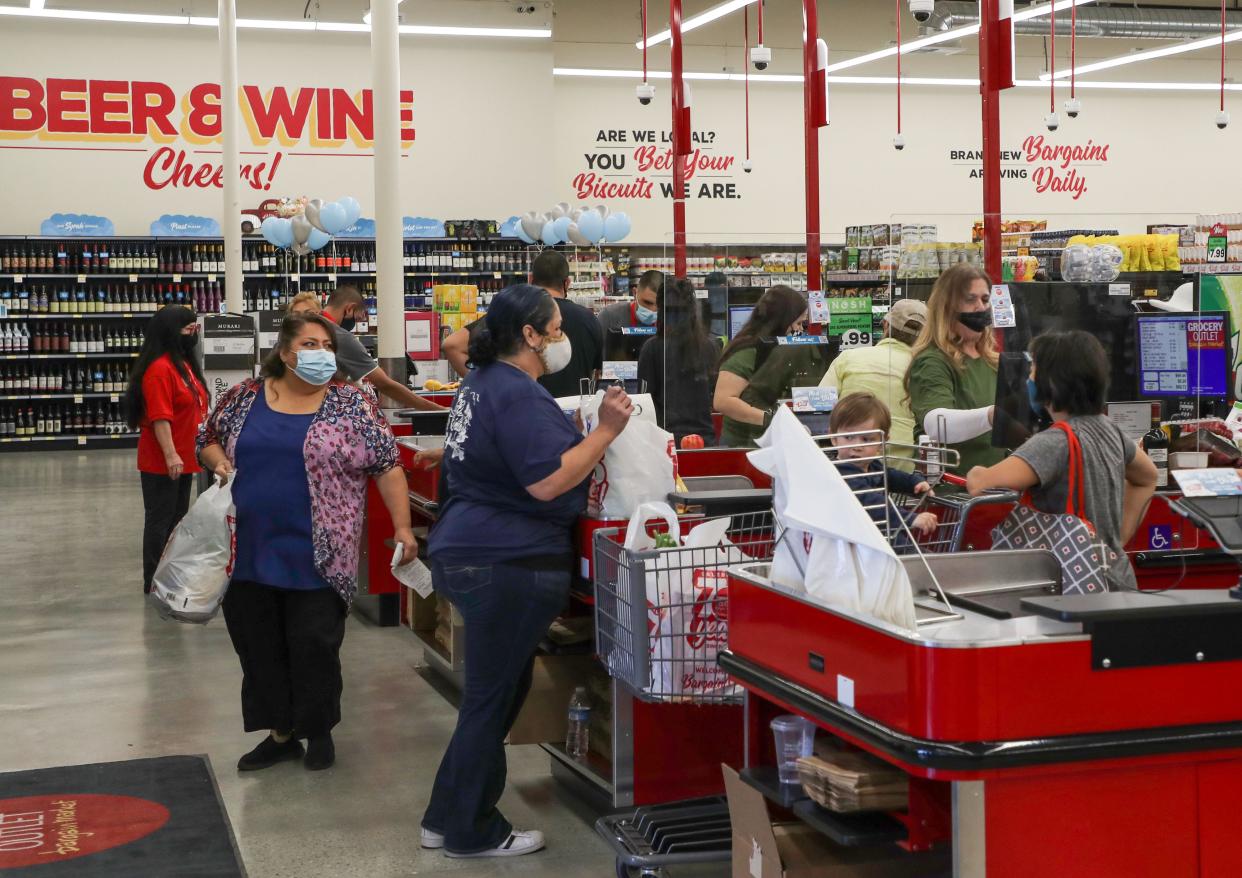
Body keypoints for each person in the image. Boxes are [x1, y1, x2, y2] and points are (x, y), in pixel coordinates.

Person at [421, 284, 632, 858]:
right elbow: (546, 480)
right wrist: (605, 431)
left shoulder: (484, 382)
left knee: (494, 694)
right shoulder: (515, 392)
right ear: (531, 336)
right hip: (505, 559)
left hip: (471, 549)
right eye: (556, 326)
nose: (564, 335)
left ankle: (445, 817)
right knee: (491, 701)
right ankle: (471, 829)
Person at [197, 313, 417, 773]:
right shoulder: (244, 398)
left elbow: (387, 465)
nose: (321, 353)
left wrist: (402, 527)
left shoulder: (351, 404)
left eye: (327, 345)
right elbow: (208, 438)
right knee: (259, 646)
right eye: (310, 344)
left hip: (320, 552)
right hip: (246, 548)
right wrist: (218, 464)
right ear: (284, 352)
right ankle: (280, 733)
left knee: (314, 644)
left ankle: (317, 730)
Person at [966, 331, 1158, 591]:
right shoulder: (1110, 429)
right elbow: (1148, 477)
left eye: (1033, 370)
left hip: (1072, 587)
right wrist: (1118, 538)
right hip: (1117, 578)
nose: (1029, 379)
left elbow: (981, 484)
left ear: (1052, 383)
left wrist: (976, 471)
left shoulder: (1055, 442)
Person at [126, 305, 209, 594]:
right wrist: (171, 453)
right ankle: (154, 579)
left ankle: (170, 573)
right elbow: (160, 417)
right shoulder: (160, 369)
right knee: (160, 521)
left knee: (177, 520)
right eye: (188, 330)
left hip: (184, 457)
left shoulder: (182, 364)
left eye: (194, 329)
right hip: (163, 460)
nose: (193, 334)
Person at [443, 250, 604, 398]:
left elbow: (452, 345)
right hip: (573, 415)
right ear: (567, 283)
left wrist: (485, 386)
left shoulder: (515, 313)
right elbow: (597, 375)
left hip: (520, 409)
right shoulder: (590, 319)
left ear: (530, 280)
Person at [904, 263, 1003, 475]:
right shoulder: (932, 361)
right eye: (970, 299)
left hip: (998, 486)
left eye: (985, 300)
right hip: (953, 491)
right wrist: (993, 415)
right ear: (947, 308)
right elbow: (936, 424)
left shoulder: (995, 362)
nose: (980, 307)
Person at [295, 285, 442, 411]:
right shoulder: (343, 337)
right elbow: (385, 384)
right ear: (349, 309)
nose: (357, 323)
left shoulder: (301, 327)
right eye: (357, 318)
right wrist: (437, 410)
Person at [820, 298, 927, 463]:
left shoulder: (848, 357)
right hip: (905, 463)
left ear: (885, 325)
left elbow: (820, 403)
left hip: (851, 463)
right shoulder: (924, 369)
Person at [829, 392, 938, 544]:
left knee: (905, 547)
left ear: (881, 443)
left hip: (874, 537)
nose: (857, 446)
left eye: (867, 439)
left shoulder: (871, 465)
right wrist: (910, 518)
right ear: (834, 438)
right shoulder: (842, 473)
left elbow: (890, 475)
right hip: (852, 544)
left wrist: (914, 482)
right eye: (849, 437)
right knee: (906, 551)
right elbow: (871, 503)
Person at [713, 285, 811, 447]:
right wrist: (769, 419)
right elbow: (723, 401)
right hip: (742, 446)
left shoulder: (778, 349)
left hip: (769, 442)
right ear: (783, 321)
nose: (800, 330)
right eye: (799, 323)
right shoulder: (748, 352)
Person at [637, 276, 719, 444]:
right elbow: (713, 397)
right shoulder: (710, 346)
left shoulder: (652, 348)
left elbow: (645, 403)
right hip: (704, 440)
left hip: (665, 441)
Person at [598, 269, 662, 361]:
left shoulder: (669, 323)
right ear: (635, 293)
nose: (653, 310)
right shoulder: (609, 317)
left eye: (659, 304)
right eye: (647, 302)